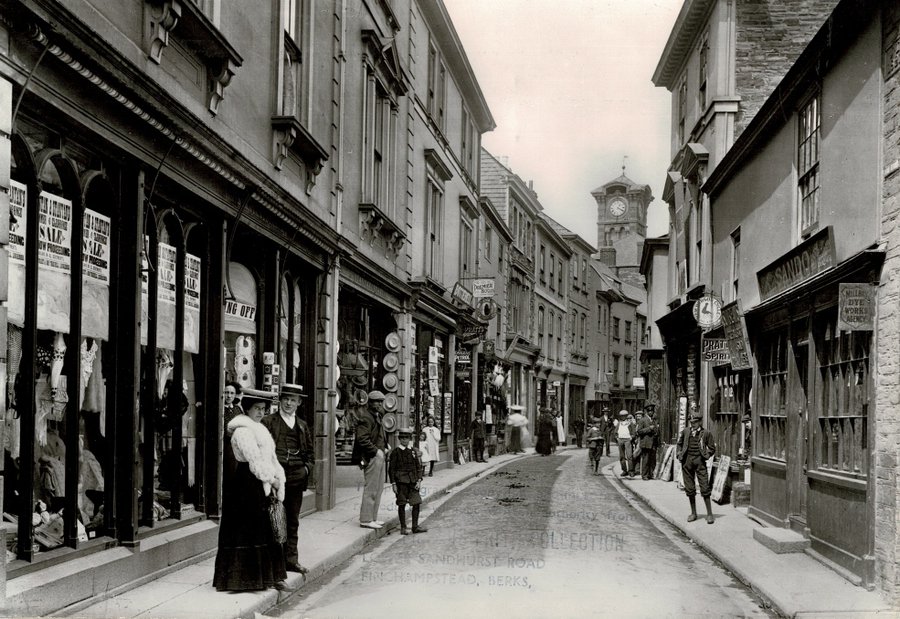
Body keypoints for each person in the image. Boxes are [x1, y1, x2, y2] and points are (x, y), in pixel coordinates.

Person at [213, 388, 287, 591]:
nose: (261, 413)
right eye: (257, 408)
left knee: (263, 531)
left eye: (264, 409)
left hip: (260, 483)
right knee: (246, 531)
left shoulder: (260, 428)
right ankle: (242, 580)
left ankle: (264, 578)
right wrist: (272, 480)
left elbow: (271, 458)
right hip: (246, 484)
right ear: (247, 409)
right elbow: (254, 461)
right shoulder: (242, 430)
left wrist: (278, 478)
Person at [261, 383, 315, 573]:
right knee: (274, 520)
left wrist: (306, 470)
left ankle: (291, 560)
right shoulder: (269, 422)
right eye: (286, 399)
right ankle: (274, 564)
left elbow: (310, 453)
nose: (289, 403)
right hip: (276, 478)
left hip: (296, 478)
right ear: (280, 400)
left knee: (292, 520)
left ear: (299, 402)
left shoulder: (301, 425)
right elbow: (262, 451)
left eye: (293, 400)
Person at [352, 390, 390, 529]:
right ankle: (366, 519)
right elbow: (362, 439)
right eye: (376, 401)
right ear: (370, 403)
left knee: (378, 488)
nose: (379, 404)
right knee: (372, 488)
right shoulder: (366, 418)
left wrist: (385, 446)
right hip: (372, 457)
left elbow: (379, 434)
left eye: (380, 401)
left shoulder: (376, 416)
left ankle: (372, 517)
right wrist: (376, 451)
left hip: (378, 455)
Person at [676, 410, 717, 524]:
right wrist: (679, 454)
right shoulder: (685, 431)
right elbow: (679, 444)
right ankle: (693, 513)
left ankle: (709, 514)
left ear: (700, 422)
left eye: (695, 422)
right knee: (690, 488)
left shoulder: (706, 433)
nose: (692, 424)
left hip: (700, 462)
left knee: (704, 487)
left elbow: (712, 448)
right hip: (687, 461)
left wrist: (707, 455)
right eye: (691, 422)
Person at [389, 427, 428, 535]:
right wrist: (393, 484)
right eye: (402, 438)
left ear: (410, 439)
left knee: (416, 503)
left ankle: (415, 526)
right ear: (399, 439)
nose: (404, 440)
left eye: (407, 438)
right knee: (402, 504)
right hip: (401, 482)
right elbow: (391, 469)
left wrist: (419, 480)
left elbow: (418, 466)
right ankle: (403, 527)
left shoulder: (413, 451)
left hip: (413, 481)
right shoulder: (396, 452)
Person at [636, 404, 659, 480]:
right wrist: (649, 428)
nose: (651, 413)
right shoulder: (642, 420)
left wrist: (656, 431)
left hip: (653, 443)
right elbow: (639, 431)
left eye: (652, 411)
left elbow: (656, 429)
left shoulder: (654, 420)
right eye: (649, 411)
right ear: (647, 412)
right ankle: (644, 475)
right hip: (645, 443)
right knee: (645, 460)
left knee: (652, 460)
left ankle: (650, 474)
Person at [613, 410, 635, 477]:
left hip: (627, 440)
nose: (623, 417)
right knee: (622, 456)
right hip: (620, 440)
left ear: (626, 416)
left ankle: (631, 471)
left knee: (629, 456)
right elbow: (615, 432)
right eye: (622, 416)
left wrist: (631, 437)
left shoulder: (629, 423)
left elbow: (633, 432)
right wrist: (617, 438)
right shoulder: (619, 423)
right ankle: (624, 470)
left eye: (624, 416)